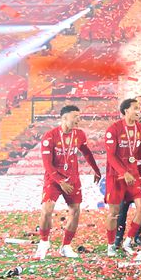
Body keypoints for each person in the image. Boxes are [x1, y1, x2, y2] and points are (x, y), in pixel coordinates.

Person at [36, 105, 102, 260]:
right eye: (75, 116)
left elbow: (86, 152)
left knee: (75, 210)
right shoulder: (50, 136)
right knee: (47, 209)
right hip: (54, 178)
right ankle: (43, 243)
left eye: (79, 116)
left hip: (72, 178)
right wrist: (60, 181)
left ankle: (66, 246)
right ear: (65, 118)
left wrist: (96, 169)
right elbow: (47, 164)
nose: (79, 119)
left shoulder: (79, 134)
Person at [104, 98, 141, 256]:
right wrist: (124, 172)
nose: (138, 111)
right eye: (135, 108)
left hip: (133, 173)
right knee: (114, 212)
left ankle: (128, 241)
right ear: (126, 111)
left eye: (139, 108)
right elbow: (111, 156)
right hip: (116, 175)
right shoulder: (113, 129)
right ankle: (111, 245)